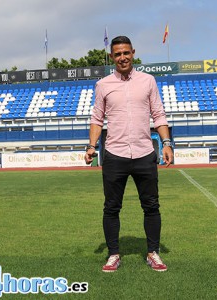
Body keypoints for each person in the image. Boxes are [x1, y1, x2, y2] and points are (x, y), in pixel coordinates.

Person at [84, 36, 173, 272]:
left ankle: (153, 253)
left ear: (133, 53)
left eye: (126, 53)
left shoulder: (148, 81)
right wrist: (91, 146)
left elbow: (159, 114)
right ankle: (114, 254)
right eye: (117, 54)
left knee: (151, 206)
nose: (122, 57)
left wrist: (166, 142)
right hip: (115, 154)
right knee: (111, 207)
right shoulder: (103, 84)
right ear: (112, 57)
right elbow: (96, 118)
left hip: (145, 153)